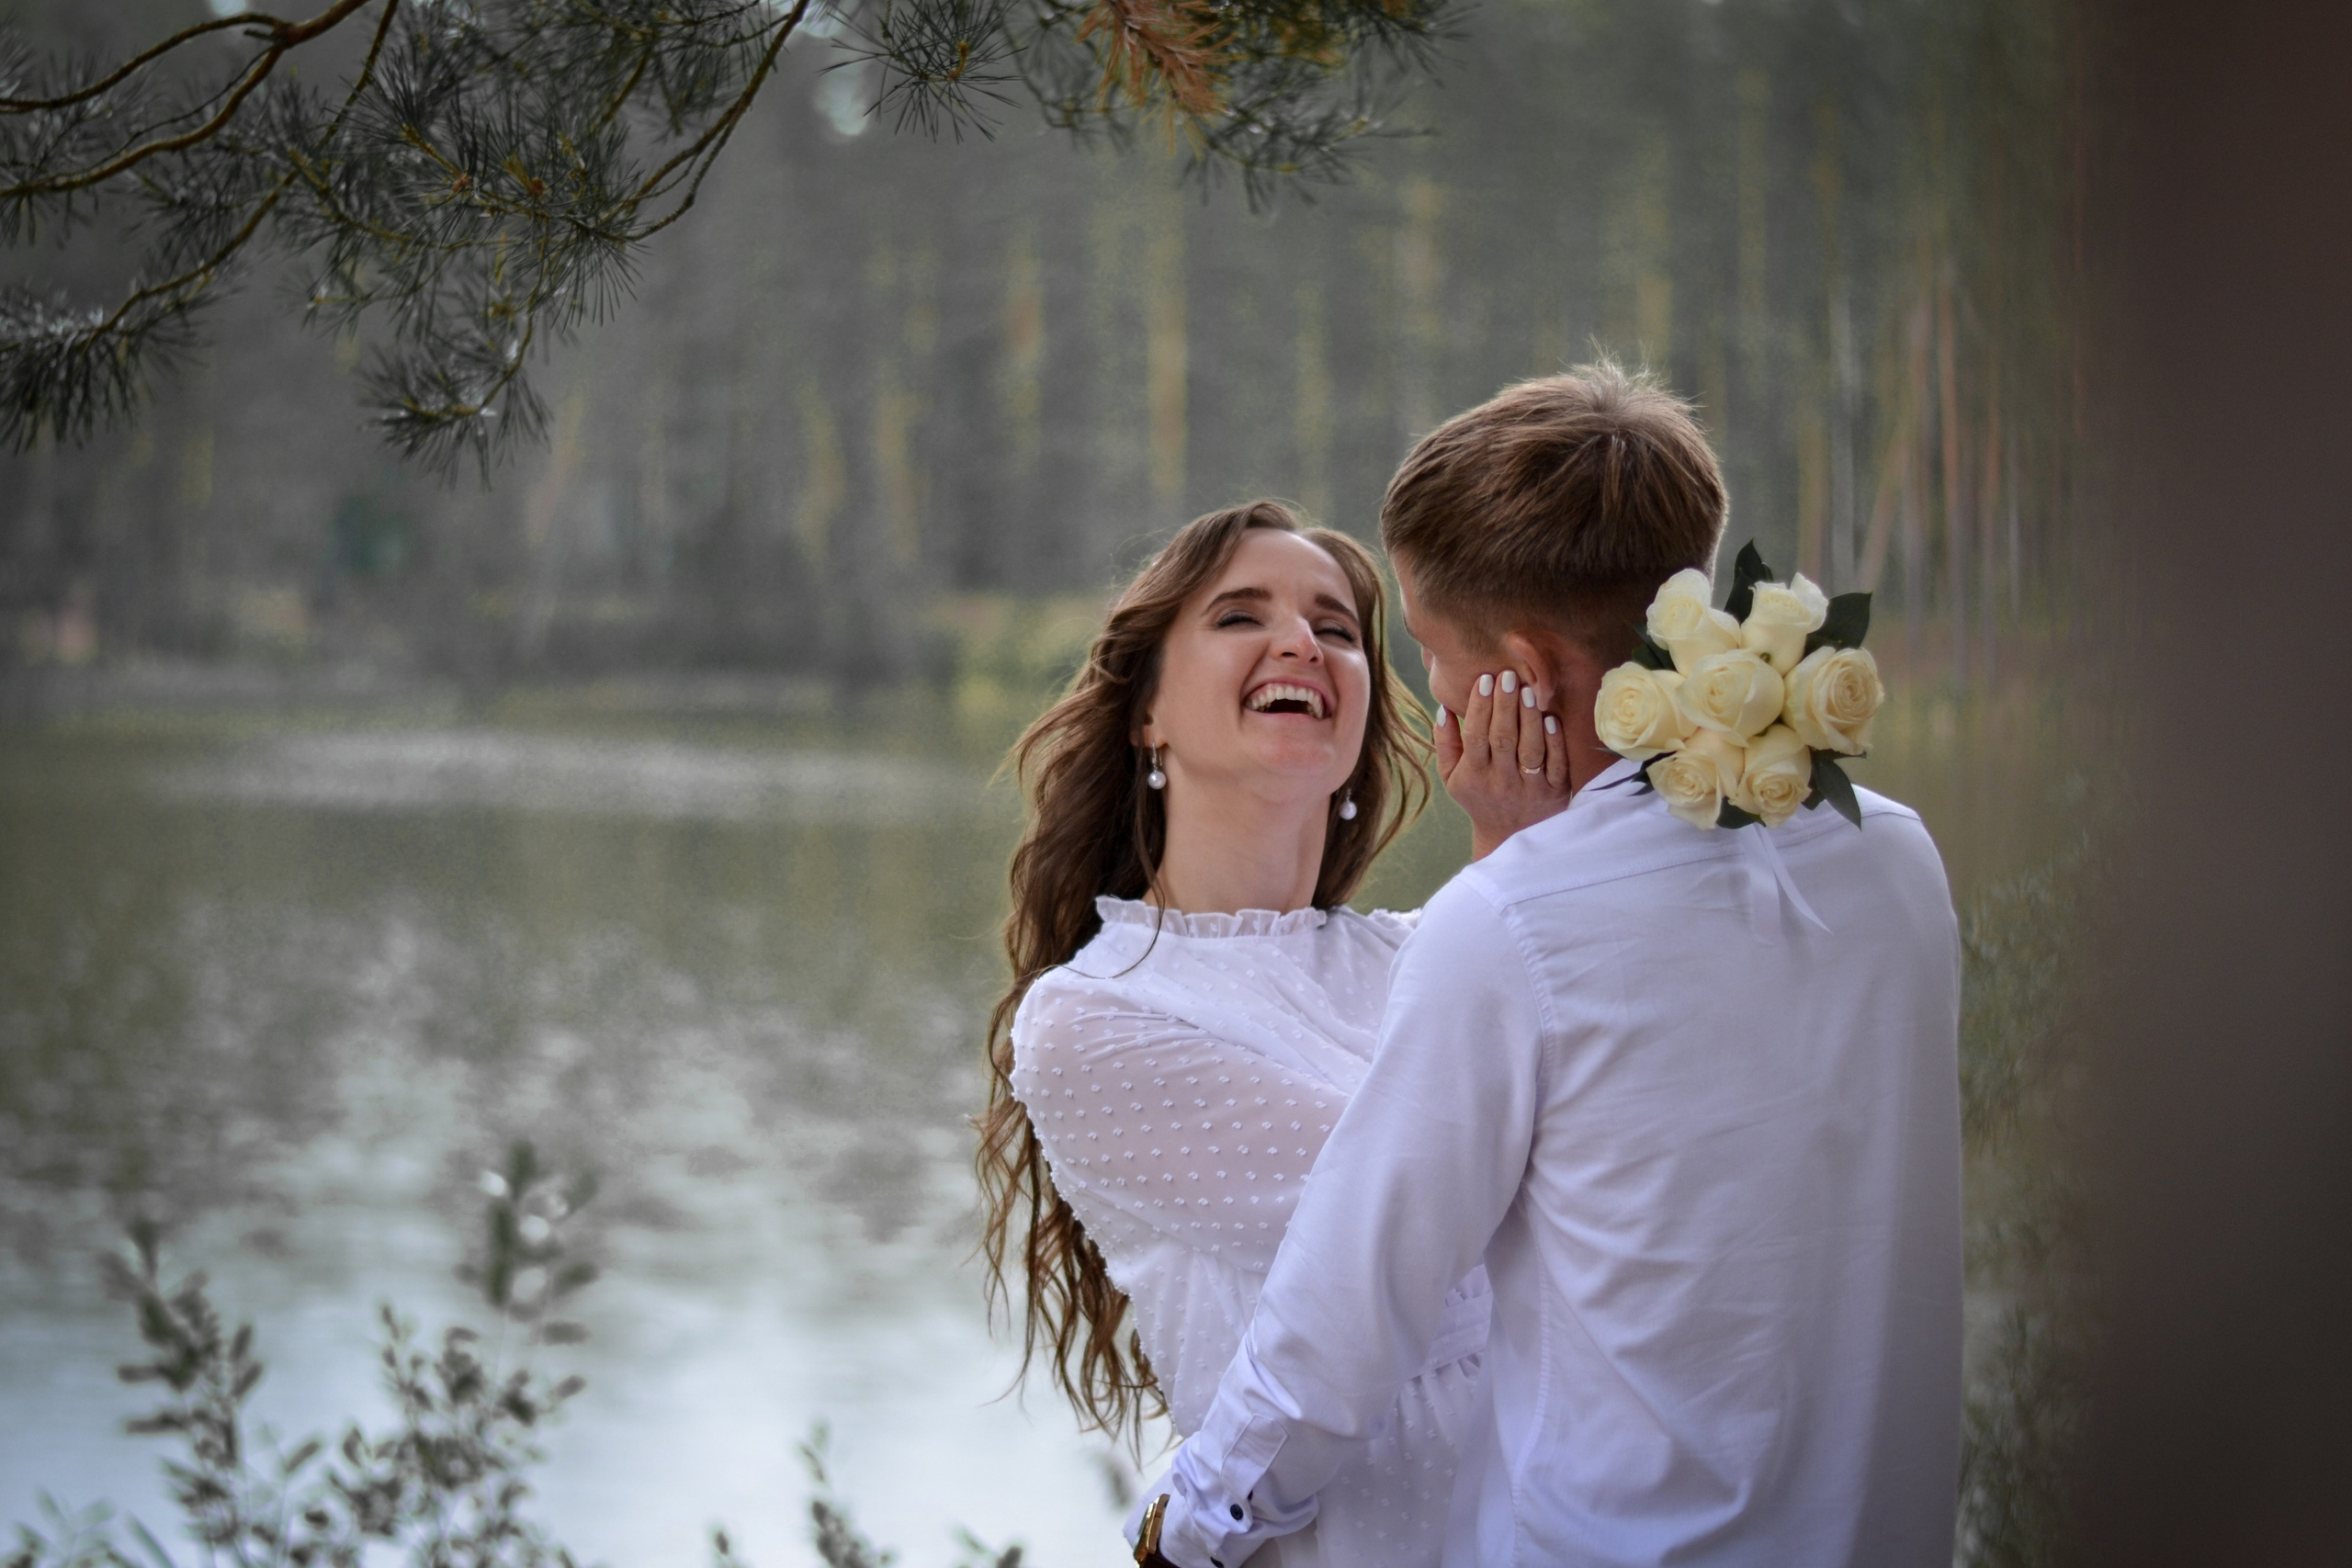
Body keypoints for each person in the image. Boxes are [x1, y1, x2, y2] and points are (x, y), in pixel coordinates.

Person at [1135, 368, 1963, 1568]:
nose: (1431, 691)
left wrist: (1190, 1526)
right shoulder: (1895, 858)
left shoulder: (1511, 923)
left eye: (1428, 649)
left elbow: (1347, 1311)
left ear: (1518, 669)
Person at [978, 500, 1575, 1566]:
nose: (1301, 641)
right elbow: (1420, 1240)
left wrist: (1525, 865)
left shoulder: (1437, 947)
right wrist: (1511, 860)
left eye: (1335, 628)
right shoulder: (1093, 1016)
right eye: (1240, 615)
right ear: (1146, 713)